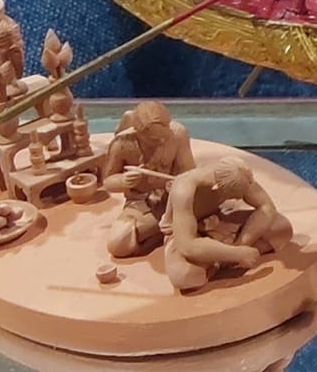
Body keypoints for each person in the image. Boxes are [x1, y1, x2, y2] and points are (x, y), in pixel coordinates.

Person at [162, 157, 295, 292]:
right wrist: (236, 254)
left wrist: (241, 243)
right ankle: (217, 260)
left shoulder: (236, 173)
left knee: (282, 227)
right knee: (184, 276)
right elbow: (187, 246)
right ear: (218, 187)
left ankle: (216, 261)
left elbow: (266, 207)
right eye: (233, 196)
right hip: (186, 234)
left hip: (218, 221)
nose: (238, 199)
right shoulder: (184, 189)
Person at [101, 101, 196, 257]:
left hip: (171, 200)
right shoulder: (122, 143)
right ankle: (167, 231)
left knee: (196, 207)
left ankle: (171, 227)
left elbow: (190, 173)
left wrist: (178, 184)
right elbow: (108, 181)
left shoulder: (177, 135)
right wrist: (123, 181)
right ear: (138, 132)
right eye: (154, 139)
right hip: (139, 203)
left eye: (164, 137)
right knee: (117, 244)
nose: (161, 142)